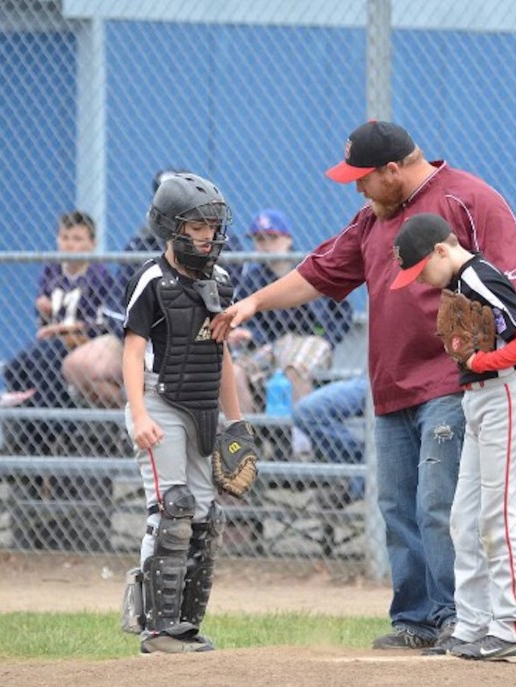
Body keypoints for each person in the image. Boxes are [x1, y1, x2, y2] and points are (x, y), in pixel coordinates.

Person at [208, 120, 516, 651]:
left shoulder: (471, 199)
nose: (357, 189)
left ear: (393, 169)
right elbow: (319, 270)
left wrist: (495, 361)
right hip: (389, 387)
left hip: (451, 385)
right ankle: (416, 620)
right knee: (397, 507)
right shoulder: (372, 220)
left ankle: (460, 618)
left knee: (438, 504)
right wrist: (253, 302)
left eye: (363, 178)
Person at [390, 212, 516, 663]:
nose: (421, 280)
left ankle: (511, 632)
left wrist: (481, 362)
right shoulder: (459, 283)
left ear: (442, 250)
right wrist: (477, 363)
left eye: (422, 269)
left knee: (497, 519)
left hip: (506, 399)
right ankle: (475, 625)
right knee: (464, 518)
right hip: (481, 401)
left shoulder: (477, 277)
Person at [121, 171, 244, 654]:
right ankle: (155, 629)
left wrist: (235, 422)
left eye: (212, 226)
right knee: (171, 511)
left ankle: (185, 626)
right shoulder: (151, 279)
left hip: (202, 407)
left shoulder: (221, 281)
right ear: (171, 226)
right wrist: (138, 415)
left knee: (205, 516)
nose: (207, 235)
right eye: (196, 226)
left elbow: (223, 358)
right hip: (158, 403)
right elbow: (131, 353)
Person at [62, 169, 180, 409]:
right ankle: (138, 417)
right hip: (137, 336)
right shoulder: (138, 245)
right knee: (75, 366)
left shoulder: (211, 244)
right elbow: (116, 303)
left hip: (187, 340)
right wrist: (137, 336)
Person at [0, 210, 115, 452]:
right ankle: (43, 431)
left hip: (79, 343)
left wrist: (69, 328)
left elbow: (104, 323)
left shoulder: (99, 275)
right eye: (64, 237)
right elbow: (43, 318)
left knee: (44, 359)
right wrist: (42, 309)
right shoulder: (52, 270)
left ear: (92, 244)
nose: (69, 244)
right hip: (50, 342)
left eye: (77, 239)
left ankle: (56, 432)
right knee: (14, 368)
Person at [227, 209, 353, 414]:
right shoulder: (253, 279)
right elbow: (253, 326)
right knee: (234, 372)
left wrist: (328, 339)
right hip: (272, 345)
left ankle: (301, 443)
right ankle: (246, 440)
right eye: (258, 239)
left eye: (271, 238)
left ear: (288, 239)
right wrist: (250, 335)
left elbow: (342, 313)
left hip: (309, 340)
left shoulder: (311, 269)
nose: (265, 245)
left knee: (294, 368)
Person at [292, 374, 369, 509]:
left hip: (403, 379)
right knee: (306, 410)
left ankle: (353, 485)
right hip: (370, 375)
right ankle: (357, 465)